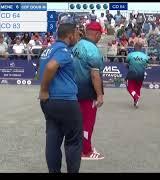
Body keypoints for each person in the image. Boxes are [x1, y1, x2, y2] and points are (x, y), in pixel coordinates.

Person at [38, 16, 82, 173]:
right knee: (74, 141)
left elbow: (44, 68)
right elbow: (51, 67)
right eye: (77, 34)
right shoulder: (63, 50)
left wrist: (44, 91)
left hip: (49, 102)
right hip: (65, 101)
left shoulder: (48, 50)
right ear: (70, 35)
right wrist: (43, 89)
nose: (78, 37)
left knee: (53, 140)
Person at [72, 21, 105, 160]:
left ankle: (79, 147)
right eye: (100, 35)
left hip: (74, 90)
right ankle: (86, 151)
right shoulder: (92, 49)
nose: (100, 38)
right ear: (97, 34)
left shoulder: (77, 45)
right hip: (87, 91)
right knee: (88, 122)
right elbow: (94, 74)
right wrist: (99, 95)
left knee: (78, 122)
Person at [125, 42, 149, 108]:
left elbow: (126, 64)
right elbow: (146, 65)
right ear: (141, 48)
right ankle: (136, 101)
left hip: (132, 74)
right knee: (137, 88)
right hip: (141, 75)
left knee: (129, 88)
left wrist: (129, 66)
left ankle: (135, 97)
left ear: (135, 47)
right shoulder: (145, 56)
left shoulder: (130, 55)